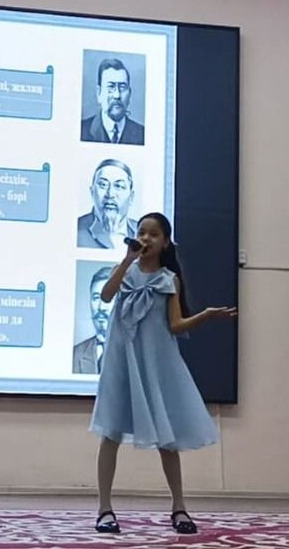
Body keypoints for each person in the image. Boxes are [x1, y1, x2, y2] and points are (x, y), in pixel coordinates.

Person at [89, 212, 236, 535]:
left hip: (155, 363)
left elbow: (175, 325)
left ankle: (179, 507)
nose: (146, 238)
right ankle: (104, 509)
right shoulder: (124, 272)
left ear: (166, 242)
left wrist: (205, 316)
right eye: (141, 232)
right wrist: (127, 260)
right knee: (110, 434)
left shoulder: (169, 280)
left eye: (153, 234)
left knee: (167, 440)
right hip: (122, 362)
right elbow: (107, 295)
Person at [80, 58, 145, 145]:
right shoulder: (82, 130)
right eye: (111, 87)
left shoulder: (143, 134)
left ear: (129, 94)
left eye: (122, 87)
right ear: (99, 93)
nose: (117, 95)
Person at [77, 159, 137, 249]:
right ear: (92, 192)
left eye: (119, 186)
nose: (110, 194)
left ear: (131, 197)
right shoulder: (76, 228)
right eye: (103, 185)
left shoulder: (140, 230)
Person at [73, 266, 114, 374]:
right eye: (96, 298)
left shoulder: (136, 353)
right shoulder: (75, 354)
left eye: (109, 298)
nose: (101, 307)